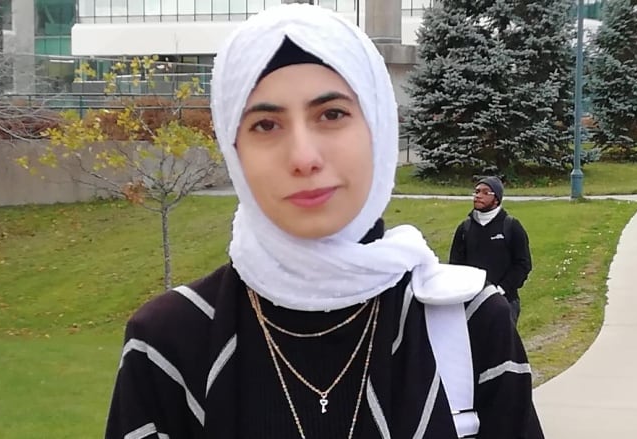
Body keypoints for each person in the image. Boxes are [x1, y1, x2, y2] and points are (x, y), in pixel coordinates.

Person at [104, 5, 544, 439]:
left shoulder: (468, 322)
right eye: (265, 124)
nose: (303, 157)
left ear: (378, 127)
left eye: (332, 114)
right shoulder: (169, 344)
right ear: (234, 149)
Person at [449, 176, 532, 324]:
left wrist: (500, 289)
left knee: (502, 347)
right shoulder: (464, 228)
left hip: (504, 302)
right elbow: (455, 266)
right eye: (477, 191)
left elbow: (523, 264)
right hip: (470, 303)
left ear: (497, 199)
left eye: (485, 192)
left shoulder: (511, 226)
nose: (478, 196)